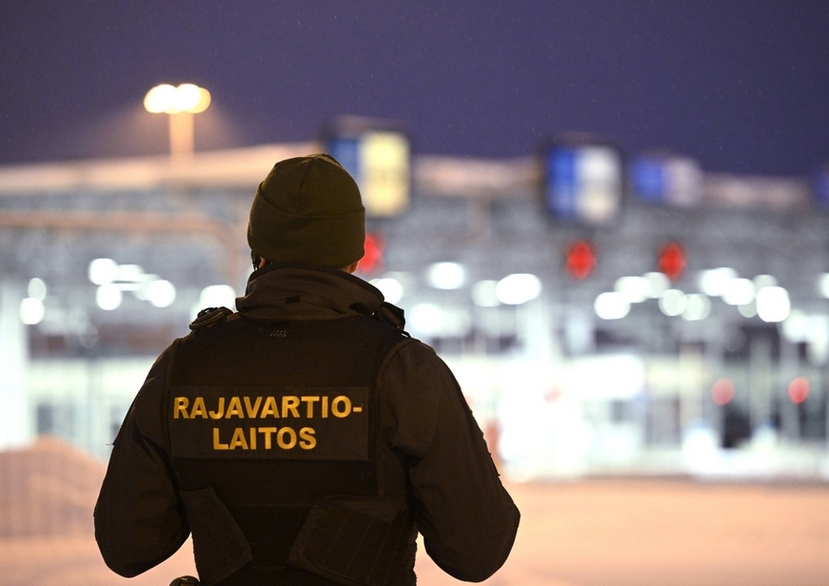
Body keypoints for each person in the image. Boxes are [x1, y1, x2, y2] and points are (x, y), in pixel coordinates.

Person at [94, 154, 520, 586]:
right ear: (354, 256)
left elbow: (127, 544)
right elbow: (478, 549)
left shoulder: (184, 365)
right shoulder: (403, 371)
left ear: (258, 251)